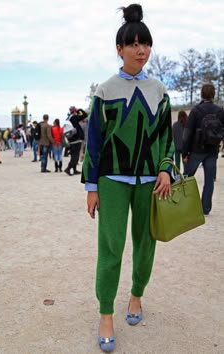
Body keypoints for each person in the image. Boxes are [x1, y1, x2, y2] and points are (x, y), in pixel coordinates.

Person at [81, 4, 174, 352]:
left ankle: (136, 295)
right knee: (111, 248)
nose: (141, 50)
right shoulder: (105, 91)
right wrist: (92, 186)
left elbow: (167, 137)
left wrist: (166, 167)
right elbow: (93, 142)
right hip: (112, 180)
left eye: (145, 44)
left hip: (151, 181)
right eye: (133, 44)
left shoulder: (160, 91)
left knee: (146, 244)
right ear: (119, 50)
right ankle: (106, 313)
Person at [183, 83, 224, 216]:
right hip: (212, 150)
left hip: (196, 150)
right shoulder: (219, 111)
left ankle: (182, 203)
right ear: (213, 94)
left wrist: (185, 152)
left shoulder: (196, 110)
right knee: (209, 180)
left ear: (201, 94)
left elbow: (187, 133)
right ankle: (205, 208)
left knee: (186, 177)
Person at [64, 107, 87, 176]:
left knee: (74, 155)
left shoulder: (69, 118)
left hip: (72, 140)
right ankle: (68, 168)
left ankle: (74, 169)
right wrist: (79, 109)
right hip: (76, 139)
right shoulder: (74, 118)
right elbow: (85, 115)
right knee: (75, 156)